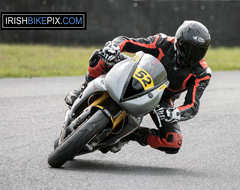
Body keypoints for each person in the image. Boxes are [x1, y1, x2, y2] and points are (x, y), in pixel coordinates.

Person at [65, 20, 212, 154]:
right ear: (178, 42)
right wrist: (114, 47)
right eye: (188, 49)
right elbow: (127, 41)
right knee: (101, 56)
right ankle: (83, 88)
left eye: (199, 51)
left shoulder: (202, 73)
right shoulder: (162, 42)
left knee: (173, 142)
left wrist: (174, 113)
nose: (192, 56)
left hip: (161, 97)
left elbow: (192, 105)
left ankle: (129, 134)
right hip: (138, 71)